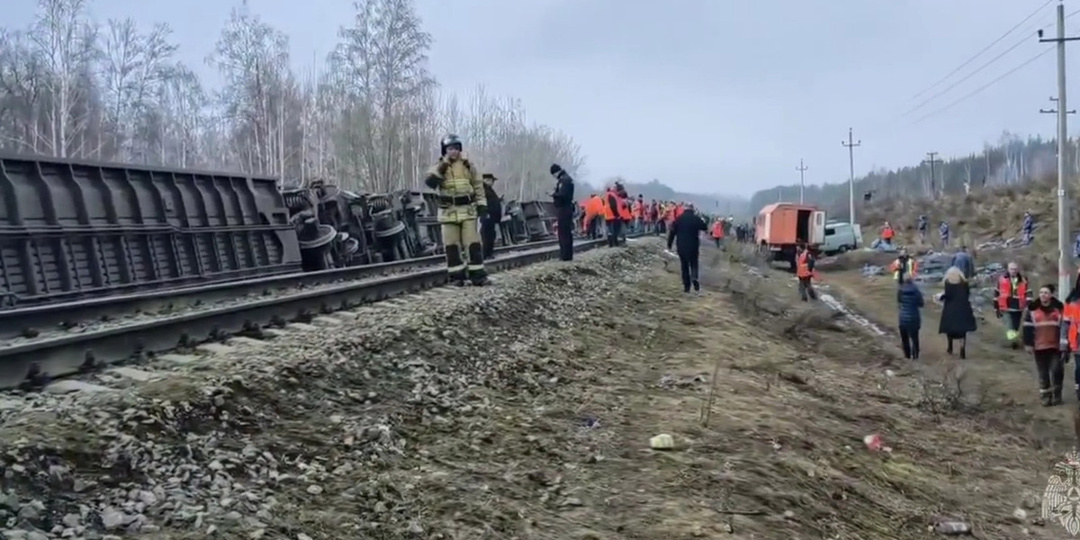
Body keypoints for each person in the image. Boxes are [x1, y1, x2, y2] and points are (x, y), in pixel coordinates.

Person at [424, 134, 487, 286]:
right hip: (448, 212)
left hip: (467, 210)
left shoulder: (468, 166)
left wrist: (482, 205)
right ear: (445, 150)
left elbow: (478, 185)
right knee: (451, 246)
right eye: (450, 148)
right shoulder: (439, 166)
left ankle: (478, 276)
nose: (454, 151)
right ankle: (457, 277)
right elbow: (430, 182)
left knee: (472, 244)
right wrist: (443, 166)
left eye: (456, 148)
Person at [1022, 284, 1066, 406]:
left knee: (1057, 370)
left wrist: (1065, 345)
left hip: (1056, 346)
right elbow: (1027, 328)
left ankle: (1057, 395)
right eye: (1041, 292)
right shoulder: (1032, 309)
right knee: (1043, 373)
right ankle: (1045, 397)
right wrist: (1028, 344)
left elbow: (1064, 327)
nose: (1043, 295)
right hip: (1039, 346)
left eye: (1046, 293)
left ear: (1051, 295)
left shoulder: (1059, 309)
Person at [667, 202, 707, 294]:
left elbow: (672, 232)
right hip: (693, 246)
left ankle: (686, 287)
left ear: (684, 209)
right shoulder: (696, 218)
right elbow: (704, 227)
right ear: (692, 209)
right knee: (694, 263)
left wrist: (669, 244)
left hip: (681, 246)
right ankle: (694, 277)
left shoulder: (679, 219)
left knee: (684, 266)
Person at [937, 266, 977, 359]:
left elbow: (948, 295)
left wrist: (941, 297)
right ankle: (962, 350)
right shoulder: (964, 284)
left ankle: (950, 347)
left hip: (950, 309)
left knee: (949, 329)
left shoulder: (948, 284)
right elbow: (967, 294)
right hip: (963, 309)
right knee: (963, 331)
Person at [994, 261, 1029, 349]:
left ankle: (1014, 340)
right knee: (1009, 327)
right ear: (1008, 269)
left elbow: (1028, 293)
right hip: (1005, 307)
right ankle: (1013, 341)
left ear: (1018, 270)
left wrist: (1029, 305)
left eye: (1015, 269)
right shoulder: (1001, 279)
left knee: (1015, 327)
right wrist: (996, 308)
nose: (1013, 271)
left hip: (1018, 307)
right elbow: (996, 293)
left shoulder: (1024, 280)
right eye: (1011, 269)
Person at [550, 164, 575, 261]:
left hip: (564, 208)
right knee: (566, 232)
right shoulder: (567, 179)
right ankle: (567, 255)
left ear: (556, 172)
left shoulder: (564, 180)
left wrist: (554, 194)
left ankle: (565, 255)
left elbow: (563, 194)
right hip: (566, 208)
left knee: (563, 232)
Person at [897, 274, 924, 359]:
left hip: (903, 318)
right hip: (914, 317)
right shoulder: (916, 290)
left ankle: (907, 356)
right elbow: (921, 304)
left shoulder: (900, 290)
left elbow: (899, 301)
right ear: (911, 280)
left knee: (905, 339)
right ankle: (915, 356)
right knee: (915, 337)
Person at [479, 173, 502, 260]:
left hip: (491, 216)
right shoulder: (483, 190)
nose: (493, 183)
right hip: (487, 216)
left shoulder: (489, 190)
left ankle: (488, 253)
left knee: (491, 235)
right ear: (486, 180)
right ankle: (485, 254)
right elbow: (482, 202)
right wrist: (485, 212)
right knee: (487, 236)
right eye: (492, 181)